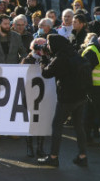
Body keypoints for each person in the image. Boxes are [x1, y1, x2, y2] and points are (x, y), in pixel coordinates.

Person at [38, 33, 89, 168]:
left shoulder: (61, 58)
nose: (48, 47)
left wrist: (43, 58)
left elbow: (46, 73)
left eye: (49, 44)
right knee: (79, 126)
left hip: (67, 98)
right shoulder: (73, 53)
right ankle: (82, 156)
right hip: (81, 96)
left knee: (57, 126)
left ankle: (53, 157)